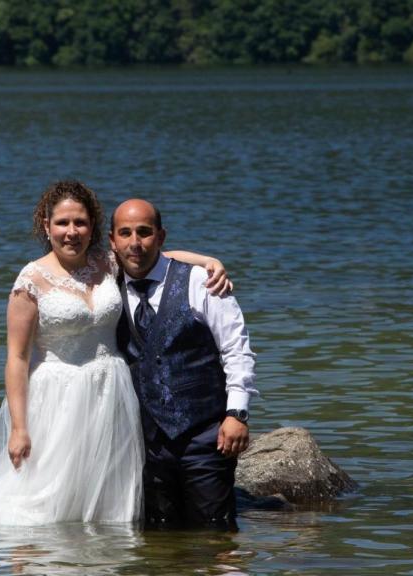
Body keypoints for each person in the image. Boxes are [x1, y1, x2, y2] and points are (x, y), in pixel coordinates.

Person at [0, 181, 231, 527]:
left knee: (112, 495)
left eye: (80, 223)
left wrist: (209, 261)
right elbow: (16, 358)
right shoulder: (30, 280)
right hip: (57, 395)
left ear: (93, 227)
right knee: (50, 494)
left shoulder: (107, 262)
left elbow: (163, 259)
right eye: (62, 223)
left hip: (113, 390)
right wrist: (19, 428)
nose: (71, 232)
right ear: (46, 226)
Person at [111, 198, 257, 531]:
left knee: (216, 533)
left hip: (205, 435)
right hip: (144, 442)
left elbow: (236, 350)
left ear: (160, 237)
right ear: (113, 241)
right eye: (126, 233)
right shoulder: (107, 288)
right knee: (159, 537)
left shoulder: (201, 283)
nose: (135, 242)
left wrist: (237, 414)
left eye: (145, 232)